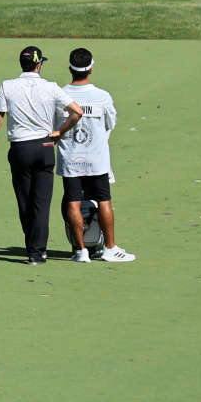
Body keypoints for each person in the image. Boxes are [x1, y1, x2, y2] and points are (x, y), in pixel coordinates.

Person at [0, 46, 82, 265]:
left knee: (25, 202)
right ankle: (38, 252)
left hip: (20, 150)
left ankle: (31, 246)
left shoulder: (7, 86)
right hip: (44, 148)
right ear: (39, 64)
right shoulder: (51, 87)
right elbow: (76, 112)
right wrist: (59, 132)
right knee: (41, 203)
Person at [59, 48, 135, 264]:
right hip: (97, 160)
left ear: (70, 69)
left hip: (70, 159)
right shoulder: (102, 96)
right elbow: (110, 123)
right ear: (90, 68)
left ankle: (81, 251)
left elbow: (56, 126)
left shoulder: (60, 95)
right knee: (104, 200)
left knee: (72, 202)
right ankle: (110, 247)